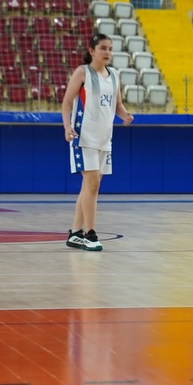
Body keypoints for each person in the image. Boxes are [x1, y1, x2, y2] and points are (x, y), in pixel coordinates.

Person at [61, 33, 133, 251]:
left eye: (110, 48)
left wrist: (125, 115)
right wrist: (66, 126)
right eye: (103, 48)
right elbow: (66, 103)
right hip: (84, 136)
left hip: (105, 138)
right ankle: (90, 234)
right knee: (93, 183)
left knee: (89, 186)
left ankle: (75, 233)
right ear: (92, 50)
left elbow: (117, 105)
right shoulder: (82, 72)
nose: (108, 52)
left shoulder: (114, 75)